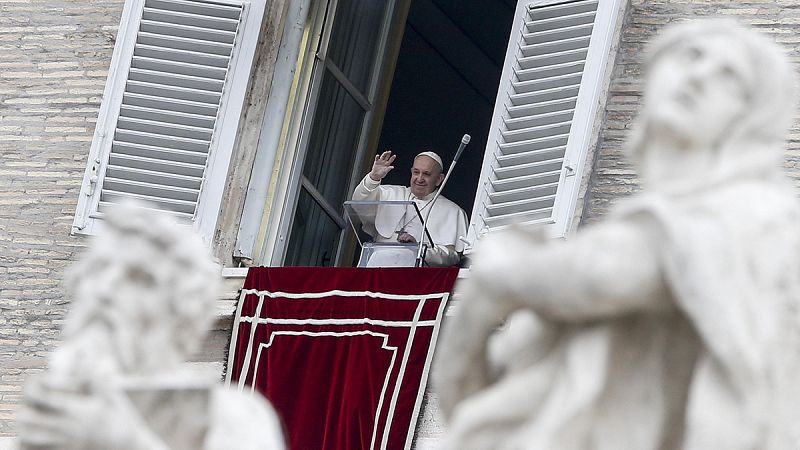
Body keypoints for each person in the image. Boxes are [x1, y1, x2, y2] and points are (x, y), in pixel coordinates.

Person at [434, 19, 800, 450]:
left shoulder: (748, 213)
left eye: (730, 77)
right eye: (691, 56)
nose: (699, 76)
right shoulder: (667, 217)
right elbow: (472, 400)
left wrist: (507, 273)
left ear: (751, 119)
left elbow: (607, 276)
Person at [351, 150, 468, 267]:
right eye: (416, 172)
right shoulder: (389, 193)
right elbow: (359, 205)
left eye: (426, 174)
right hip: (377, 267)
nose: (419, 178)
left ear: (439, 179)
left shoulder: (453, 211)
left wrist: (419, 249)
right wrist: (373, 178)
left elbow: (453, 256)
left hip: (415, 277)